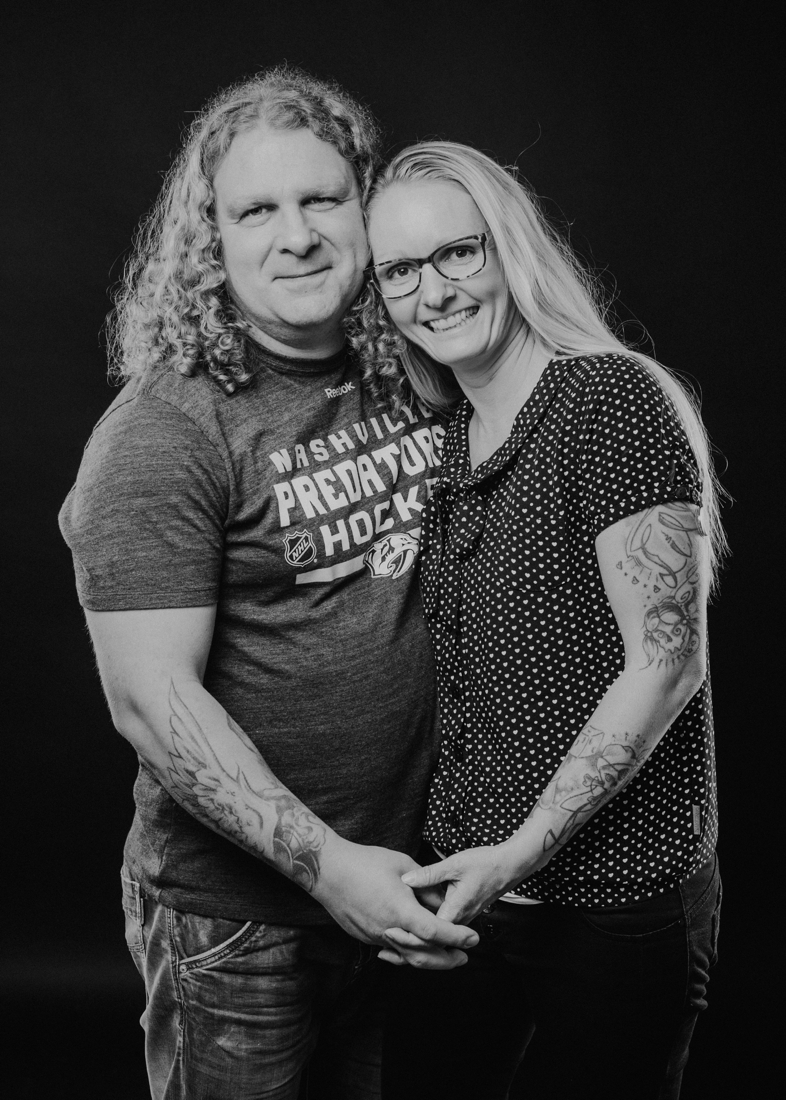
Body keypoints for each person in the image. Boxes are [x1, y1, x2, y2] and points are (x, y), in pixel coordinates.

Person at [58, 72, 478, 1100]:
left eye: (322, 198)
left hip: (410, 886)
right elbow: (152, 700)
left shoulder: (419, 364)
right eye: (256, 210)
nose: (297, 236)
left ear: (367, 208)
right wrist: (331, 868)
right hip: (238, 922)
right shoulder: (164, 432)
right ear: (211, 239)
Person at [349, 141, 725, 1100]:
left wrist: (521, 852)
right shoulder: (450, 437)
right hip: (467, 886)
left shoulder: (608, 400)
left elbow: (666, 663)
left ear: (509, 248)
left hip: (614, 896)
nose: (432, 292)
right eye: (400, 271)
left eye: (456, 253)